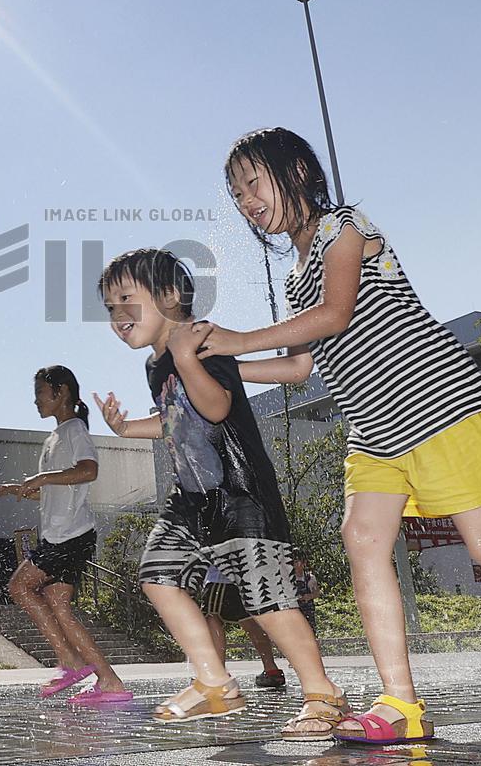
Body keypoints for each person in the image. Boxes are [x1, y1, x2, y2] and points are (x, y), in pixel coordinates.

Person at [197, 126, 481, 744]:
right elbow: (298, 367)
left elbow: (337, 314)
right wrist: (213, 366)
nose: (246, 201)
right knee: (361, 540)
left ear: (298, 170)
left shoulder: (344, 227)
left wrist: (236, 339)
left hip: (438, 404)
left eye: (253, 182)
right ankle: (399, 705)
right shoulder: (297, 270)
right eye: (236, 194)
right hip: (375, 431)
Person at [95, 248, 346, 739]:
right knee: (157, 575)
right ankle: (214, 681)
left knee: (267, 599)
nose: (117, 314)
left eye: (127, 299)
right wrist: (127, 428)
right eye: (109, 307)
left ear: (169, 295)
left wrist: (187, 358)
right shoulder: (156, 364)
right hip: (191, 499)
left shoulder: (202, 341)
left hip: (239, 491)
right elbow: (176, 420)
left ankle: (323, 692)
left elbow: (215, 407)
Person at [0, 365, 132, 705]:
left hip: (68, 536)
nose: (35, 401)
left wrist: (44, 477)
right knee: (60, 609)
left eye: (39, 393)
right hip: (65, 535)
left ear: (61, 392)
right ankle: (109, 681)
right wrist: (15, 488)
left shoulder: (74, 429)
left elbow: (88, 470)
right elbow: (52, 489)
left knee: (19, 587)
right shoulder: (55, 437)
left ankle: (68, 660)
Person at [200, 564, 287, 689]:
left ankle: (218, 673)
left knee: (212, 617)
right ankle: (271, 670)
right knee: (251, 622)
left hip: (221, 578)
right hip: (248, 578)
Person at [292, 551, 320, 633]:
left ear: (304, 562)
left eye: (297, 561)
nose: (295, 564)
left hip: (308, 612)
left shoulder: (310, 577)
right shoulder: (288, 578)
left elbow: (317, 593)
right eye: (293, 561)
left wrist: (308, 596)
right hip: (294, 612)